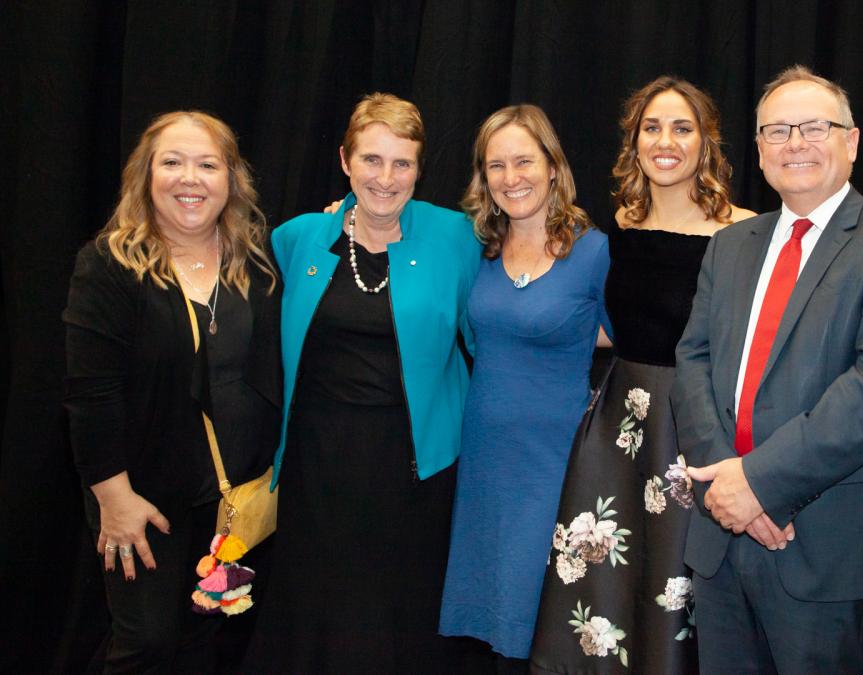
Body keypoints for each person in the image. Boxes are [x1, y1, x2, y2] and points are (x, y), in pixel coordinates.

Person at [670, 64, 863, 673]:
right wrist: (725, 487)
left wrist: (760, 485)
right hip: (720, 531)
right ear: (760, 151)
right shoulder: (731, 243)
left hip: (828, 539)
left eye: (814, 127)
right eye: (777, 131)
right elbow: (693, 361)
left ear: (852, 140)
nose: (795, 143)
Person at [245, 93, 481, 672]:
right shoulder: (298, 237)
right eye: (372, 160)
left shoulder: (458, 237)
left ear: (420, 170)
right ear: (345, 161)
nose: (386, 178)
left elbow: (499, 318)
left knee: (398, 612)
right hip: (316, 463)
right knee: (317, 605)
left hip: (415, 465)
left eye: (402, 163)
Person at [529, 76, 753, 674]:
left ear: (707, 142)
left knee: (680, 583)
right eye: (652, 127)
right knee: (606, 582)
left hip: (694, 431)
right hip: (617, 428)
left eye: (683, 128)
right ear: (634, 142)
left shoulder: (744, 232)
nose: (666, 141)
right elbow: (597, 321)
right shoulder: (620, 225)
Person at [63, 111, 281, 672]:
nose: (191, 178)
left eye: (207, 164)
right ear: (146, 175)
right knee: (148, 644)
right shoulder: (109, 267)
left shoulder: (256, 266)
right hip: (142, 501)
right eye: (173, 162)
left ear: (230, 180)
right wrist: (114, 501)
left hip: (231, 503)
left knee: (207, 645)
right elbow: (91, 396)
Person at [439, 104, 610, 670]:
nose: (512, 178)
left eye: (524, 161)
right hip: (485, 464)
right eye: (496, 166)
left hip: (554, 468)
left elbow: (636, 337)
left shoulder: (594, 252)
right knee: (493, 625)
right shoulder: (474, 249)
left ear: (553, 166)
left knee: (540, 626)